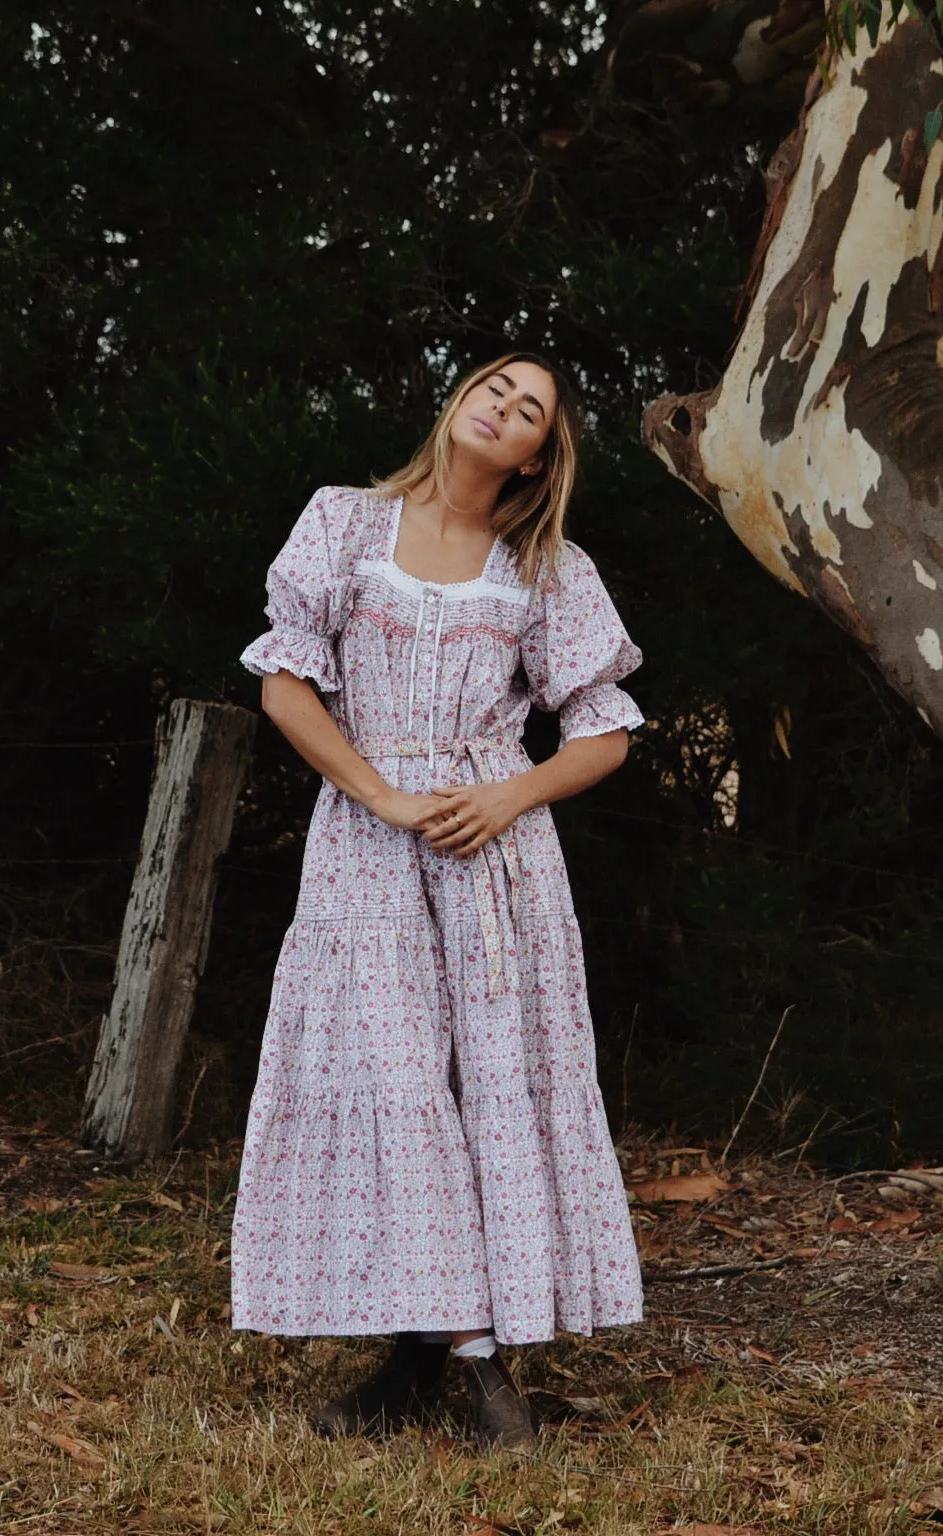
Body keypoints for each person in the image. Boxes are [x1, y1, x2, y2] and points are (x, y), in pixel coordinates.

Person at [231, 351, 644, 1451]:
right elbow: (285, 682)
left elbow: (604, 729)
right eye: (494, 388)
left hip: (495, 861)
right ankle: (478, 1368)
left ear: (535, 456)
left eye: (529, 412)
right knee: (398, 1082)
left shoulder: (545, 566)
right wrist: (384, 796)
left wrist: (510, 794)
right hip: (368, 849)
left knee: (482, 1091)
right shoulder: (345, 524)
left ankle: (418, 1365)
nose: (503, 410)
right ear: (456, 402)